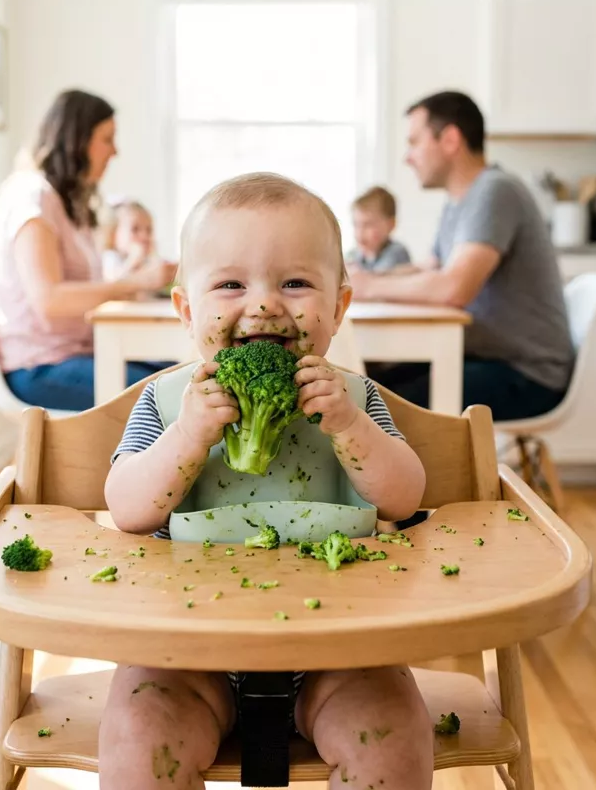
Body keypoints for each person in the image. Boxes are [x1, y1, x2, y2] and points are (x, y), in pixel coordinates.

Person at [100, 173, 432, 790]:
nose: (263, 304)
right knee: (138, 735)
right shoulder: (168, 402)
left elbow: (406, 496)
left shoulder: (354, 400)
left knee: (395, 735)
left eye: (296, 283)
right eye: (230, 284)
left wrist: (352, 428)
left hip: (340, 649)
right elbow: (125, 507)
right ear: (187, 309)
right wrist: (189, 438)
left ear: (338, 306)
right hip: (188, 651)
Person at [351, 91, 574, 421]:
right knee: (369, 385)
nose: (407, 157)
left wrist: (367, 287)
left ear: (451, 139)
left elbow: (453, 288)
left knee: (382, 407)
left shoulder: (495, 190)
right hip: (486, 357)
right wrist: (362, 276)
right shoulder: (459, 202)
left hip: (526, 374)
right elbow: (428, 270)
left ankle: (433, 474)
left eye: (414, 142)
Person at [0, 89, 177, 411]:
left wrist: (138, 275)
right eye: (107, 139)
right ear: (76, 140)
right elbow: (49, 300)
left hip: (75, 354)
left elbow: (90, 290)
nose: (115, 151)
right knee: (172, 394)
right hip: (41, 367)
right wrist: (136, 283)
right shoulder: (31, 196)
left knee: (177, 376)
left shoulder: (65, 205)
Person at [345, 185, 412, 273]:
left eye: (368, 225)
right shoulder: (354, 254)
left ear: (391, 225)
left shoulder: (397, 252)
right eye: (356, 225)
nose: (360, 232)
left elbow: (377, 279)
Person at [101, 199, 163, 282]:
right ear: (114, 234)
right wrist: (132, 262)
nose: (144, 236)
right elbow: (112, 285)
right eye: (135, 229)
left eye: (149, 230)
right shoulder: (110, 258)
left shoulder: (148, 259)